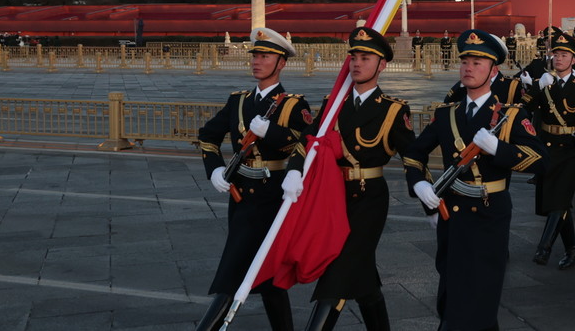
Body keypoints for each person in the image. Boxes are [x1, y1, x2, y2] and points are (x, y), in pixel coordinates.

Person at [404, 29, 546, 331]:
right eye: (465, 61)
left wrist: (500, 150)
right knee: (450, 290)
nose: (469, 68)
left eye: (478, 63)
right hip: (451, 213)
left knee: (479, 293)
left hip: (488, 212)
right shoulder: (446, 114)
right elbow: (414, 154)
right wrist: (419, 184)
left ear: (493, 71)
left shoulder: (509, 115)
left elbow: (539, 159)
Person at [283, 25, 413, 331]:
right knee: (362, 277)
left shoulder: (393, 110)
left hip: (369, 199)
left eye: (366, 57)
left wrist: (426, 194)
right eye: (353, 56)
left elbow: (413, 156)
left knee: (338, 270)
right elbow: (307, 139)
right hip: (333, 196)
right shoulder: (333, 104)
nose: (356, 62)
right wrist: (293, 170)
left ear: (382, 65)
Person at [196, 28, 311, 331]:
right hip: (242, 196)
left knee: (242, 269)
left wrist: (270, 132)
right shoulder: (238, 101)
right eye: (256, 56)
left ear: (282, 63)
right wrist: (215, 170)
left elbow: (306, 143)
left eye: (266, 56)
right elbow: (207, 137)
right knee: (263, 274)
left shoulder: (293, 104)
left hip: (273, 196)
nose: (257, 62)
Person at [522, 30, 575, 269]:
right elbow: (523, 109)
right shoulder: (544, 83)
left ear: (574, 60)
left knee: (559, 199)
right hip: (547, 147)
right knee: (558, 202)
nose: (559, 59)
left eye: (565, 55)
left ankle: (544, 248)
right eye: (556, 54)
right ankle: (571, 249)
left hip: (570, 149)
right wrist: (535, 87)